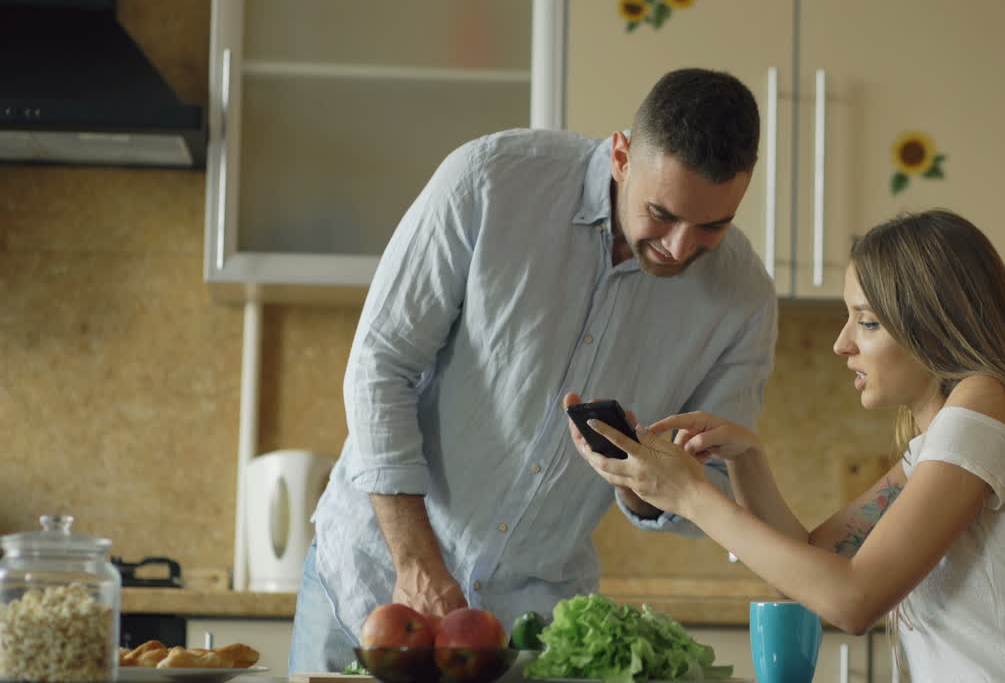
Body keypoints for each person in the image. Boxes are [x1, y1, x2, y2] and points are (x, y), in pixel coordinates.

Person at [287, 68, 779, 673]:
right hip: (373, 593)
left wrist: (640, 479)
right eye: (662, 213)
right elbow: (379, 366)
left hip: (531, 635)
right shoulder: (491, 179)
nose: (680, 248)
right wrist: (415, 563)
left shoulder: (743, 299)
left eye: (713, 225)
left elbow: (714, 490)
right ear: (622, 155)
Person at [578, 209, 1005, 682]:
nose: (843, 343)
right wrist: (748, 462)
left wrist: (692, 497)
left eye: (868, 321)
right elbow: (813, 570)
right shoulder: (937, 441)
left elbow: (852, 601)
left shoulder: (980, 408)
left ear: (934, 326)